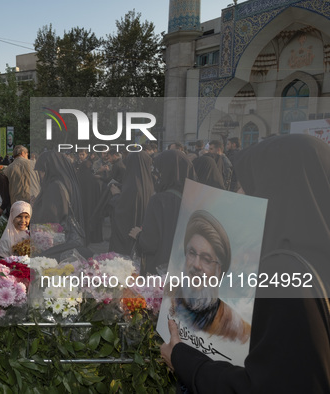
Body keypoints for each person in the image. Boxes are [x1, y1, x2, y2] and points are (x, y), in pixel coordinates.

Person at [161, 134, 330, 393]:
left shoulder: (285, 272)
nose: (238, 193)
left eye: (246, 185)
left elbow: (264, 386)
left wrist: (183, 359)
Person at [169, 210, 250, 343]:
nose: (196, 265)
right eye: (191, 253)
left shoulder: (234, 329)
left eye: (206, 259)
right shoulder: (169, 296)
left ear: (219, 270)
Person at [130, 150, 195, 275]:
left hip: (161, 274)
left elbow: (149, 244)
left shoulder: (159, 201)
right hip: (188, 273)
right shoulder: (197, 199)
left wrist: (138, 235)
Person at [31, 151, 91, 259]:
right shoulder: (67, 181)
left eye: (42, 171)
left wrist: (35, 206)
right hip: (68, 241)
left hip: (58, 244)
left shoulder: (55, 186)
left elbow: (50, 217)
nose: (40, 175)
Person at [108, 151, 154, 255]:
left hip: (129, 235)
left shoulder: (132, 184)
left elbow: (122, 209)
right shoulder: (149, 183)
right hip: (141, 231)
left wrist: (116, 195)